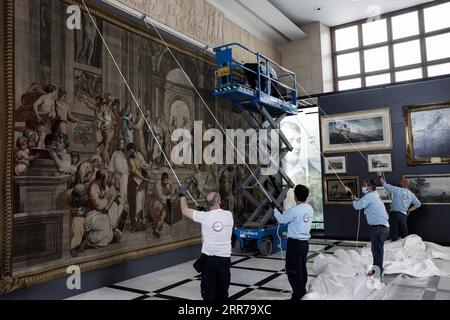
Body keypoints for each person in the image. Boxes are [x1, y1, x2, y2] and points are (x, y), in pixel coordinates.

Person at [179, 187, 234, 301]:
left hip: (208, 261)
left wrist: (182, 194)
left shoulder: (204, 217)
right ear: (219, 200)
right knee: (223, 291)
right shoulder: (229, 215)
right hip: (224, 261)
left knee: (208, 292)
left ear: (207, 203)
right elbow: (216, 218)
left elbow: (184, 210)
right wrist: (205, 212)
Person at [273, 184, 313, 300]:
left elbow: (281, 219)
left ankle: (297, 294)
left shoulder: (294, 211)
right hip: (305, 244)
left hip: (294, 244)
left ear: (295, 197)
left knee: (292, 269)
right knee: (301, 267)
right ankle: (302, 290)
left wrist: (275, 209)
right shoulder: (309, 209)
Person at [345, 179, 390, 278]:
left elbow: (358, 206)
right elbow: (360, 201)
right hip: (381, 227)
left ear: (370, 187)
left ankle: (378, 272)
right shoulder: (374, 195)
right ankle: (377, 269)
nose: (363, 187)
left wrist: (349, 194)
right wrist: (351, 194)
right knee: (376, 250)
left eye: (365, 185)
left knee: (377, 251)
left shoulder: (370, 196)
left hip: (379, 228)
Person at [378, 172, 421, 241]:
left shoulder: (397, 190)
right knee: (404, 234)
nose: (400, 181)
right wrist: (409, 210)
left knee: (394, 234)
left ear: (403, 183)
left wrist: (379, 176)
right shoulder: (411, 194)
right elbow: (418, 204)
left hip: (395, 214)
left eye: (401, 181)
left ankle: (395, 248)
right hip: (404, 215)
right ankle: (404, 248)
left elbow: (384, 184)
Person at [126, 143, 150, 232]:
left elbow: (143, 164)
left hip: (142, 180)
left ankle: (141, 222)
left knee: (141, 201)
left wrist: (147, 167)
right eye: (129, 151)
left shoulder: (139, 155)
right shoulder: (129, 159)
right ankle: (134, 224)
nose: (131, 152)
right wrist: (141, 176)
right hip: (133, 181)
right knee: (134, 203)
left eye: (132, 150)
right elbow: (133, 170)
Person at [148, 172, 174, 239]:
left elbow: (172, 192)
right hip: (155, 202)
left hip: (164, 202)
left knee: (164, 212)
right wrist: (168, 196)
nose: (165, 182)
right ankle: (156, 224)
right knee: (161, 208)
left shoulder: (169, 183)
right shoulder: (158, 184)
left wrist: (169, 191)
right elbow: (160, 196)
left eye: (167, 180)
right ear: (161, 180)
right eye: (164, 181)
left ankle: (157, 227)